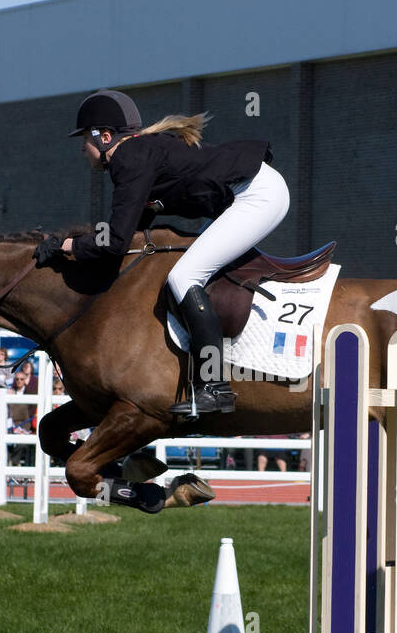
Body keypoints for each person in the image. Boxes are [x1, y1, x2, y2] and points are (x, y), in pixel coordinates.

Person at [41, 88, 286, 417]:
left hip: (256, 195)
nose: (81, 149)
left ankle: (214, 387)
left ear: (104, 138)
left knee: (184, 276)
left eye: (84, 139)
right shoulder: (140, 156)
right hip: (247, 193)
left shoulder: (129, 159)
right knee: (183, 270)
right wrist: (77, 245)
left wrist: (64, 246)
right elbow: (132, 233)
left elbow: (114, 241)